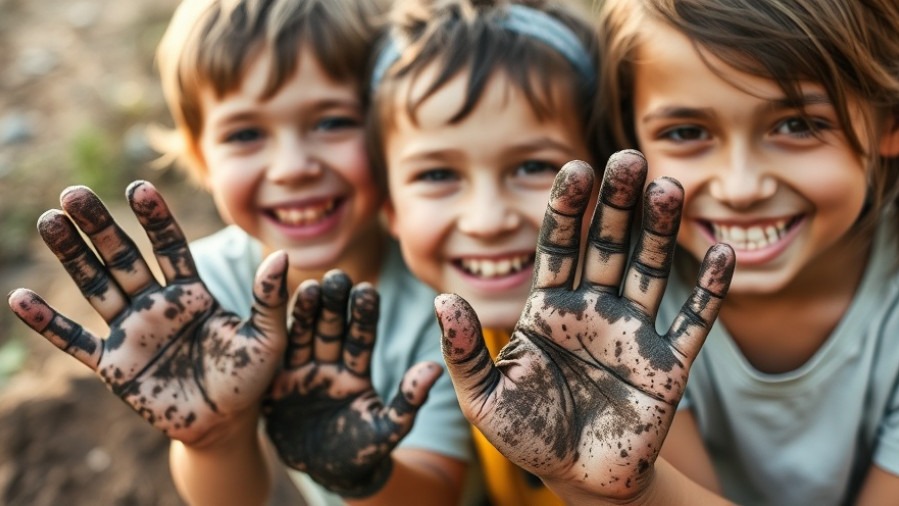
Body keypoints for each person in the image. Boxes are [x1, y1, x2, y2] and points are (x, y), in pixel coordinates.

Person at [431, 0, 899, 504]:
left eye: (798, 124)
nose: (741, 187)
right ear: (627, 133)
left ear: (889, 120)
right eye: (687, 132)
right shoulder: (614, 310)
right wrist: (629, 493)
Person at [8, 0, 476, 505]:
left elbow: (438, 492)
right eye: (246, 134)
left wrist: (356, 472)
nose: (293, 167)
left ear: (391, 133)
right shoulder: (196, 296)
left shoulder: (441, 292)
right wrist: (214, 439)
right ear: (200, 157)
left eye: (332, 121)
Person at [357, 0, 603, 503]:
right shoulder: (430, 335)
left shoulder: (644, 341)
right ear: (390, 208)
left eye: (534, 166)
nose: (487, 221)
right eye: (438, 175)